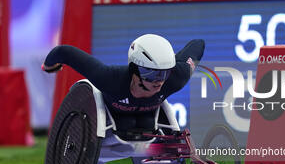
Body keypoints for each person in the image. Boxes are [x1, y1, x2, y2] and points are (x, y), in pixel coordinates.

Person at [42, 34, 205, 134]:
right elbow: (63, 52)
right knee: (127, 124)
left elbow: (199, 43)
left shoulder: (177, 77)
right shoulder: (108, 78)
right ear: (134, 71)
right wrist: (49, 66)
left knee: (146, 125)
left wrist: (169, 61)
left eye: (164, 72)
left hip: (148, 119)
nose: (159, 81)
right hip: (112, 118)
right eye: (151, 73)